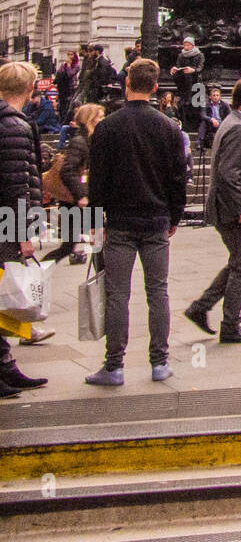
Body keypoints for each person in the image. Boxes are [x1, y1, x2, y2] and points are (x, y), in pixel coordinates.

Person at [85, 58, 188, 386]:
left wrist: (93, 221)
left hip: (119, 221)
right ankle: (160, 362)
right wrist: (175, 216)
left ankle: (114, 365)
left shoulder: (107, 127)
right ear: (156, 87)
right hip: (156, 219)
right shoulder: (168, 127)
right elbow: (177, 178)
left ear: (126, 84)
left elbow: (97, 180)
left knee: (118, 294)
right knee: (158, 291)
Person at [186, 78, 241, 344]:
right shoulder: (237, 129)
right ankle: (231, 325)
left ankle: (200, 308)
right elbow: (227, 173)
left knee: (238, 262)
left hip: (226, 207)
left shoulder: (233, 123)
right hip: (233, 211)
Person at [0, 61, 49, 395]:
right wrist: (24, 233)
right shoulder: (14, 126)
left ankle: (5, 365)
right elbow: (18, 182)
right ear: (31, 89)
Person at [41, 102, 103, 266]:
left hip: (81, 200)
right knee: (72, 246)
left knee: (95, 243)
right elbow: (67, 171)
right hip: (76, 202)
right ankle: (39, 271)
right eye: (100, 117)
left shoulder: (89, 139)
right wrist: (81, 195)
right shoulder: (80, 141)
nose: (102, 120)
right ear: (90, 119)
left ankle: (105, 284)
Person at [170, 37, 205, 131]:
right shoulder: (181, 55)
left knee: (195, 104)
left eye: (188, 45)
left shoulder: (199, 55)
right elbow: (178, 66)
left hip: (195, 80)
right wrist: (175, 69)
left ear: (192, 45)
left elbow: (200, 67)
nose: (186, 47)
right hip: (184, 79)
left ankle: (188, 98)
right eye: (184, 44)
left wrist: (193, 70)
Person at [197, 84, 229, 152]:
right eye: (214, 95)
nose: (215, 97)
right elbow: (203, 115)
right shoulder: (206, 104)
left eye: (217, 95)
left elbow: (230, 116)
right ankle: (199, 142)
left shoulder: (225, 105)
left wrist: (223, 122)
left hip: (222, 124)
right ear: (210, 97)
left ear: (220, 97)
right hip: (210, 124)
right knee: (203, 123)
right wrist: (211, 119)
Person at [54, 49, 78, 124]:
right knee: (61, 106)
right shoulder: (63, 65)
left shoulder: (76, 66)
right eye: (68, 54)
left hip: (70, 89)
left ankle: (65, 120)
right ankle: (61, 121)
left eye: (71, 54)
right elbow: (58, 74)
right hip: (62, 89)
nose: (69, 56)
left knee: (68, 106)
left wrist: (68, 66)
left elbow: (70, 74)